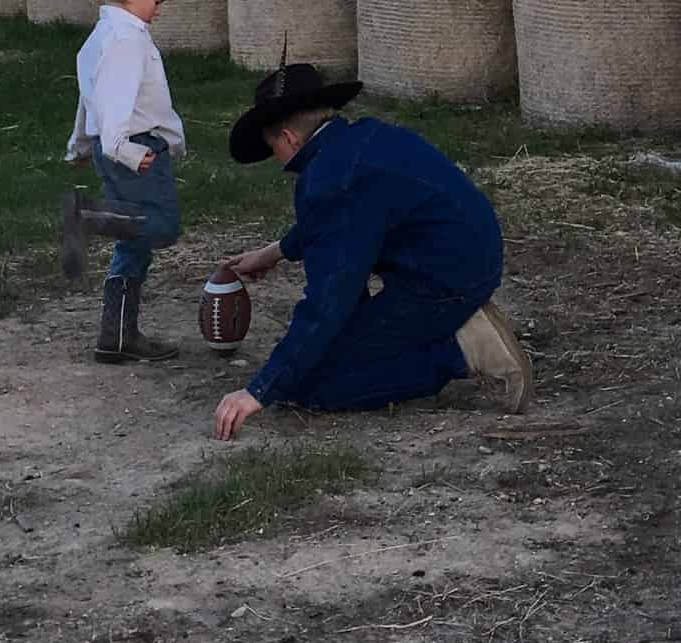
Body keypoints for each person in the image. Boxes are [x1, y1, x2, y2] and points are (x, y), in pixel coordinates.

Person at [210, 62, 532, 441]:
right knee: (330, 347)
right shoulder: (360, 140)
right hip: (469, 253)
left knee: (312, 384)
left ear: (288, 139)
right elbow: (343, 224)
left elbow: (329, 300)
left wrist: (261, 389)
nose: (278, 161)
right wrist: (276, 251)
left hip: (445, 280)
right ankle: (443, 331)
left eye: (272, 149)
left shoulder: (330, 180)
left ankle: (462, 349)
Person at [59, 0, 187, 364]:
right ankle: (87, 216)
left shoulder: (101, 37)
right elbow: (113, 102)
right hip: (136, 147)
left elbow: (89, 98)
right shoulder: (125, 40)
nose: (160, 10)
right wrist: (125, 151)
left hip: (116, 144)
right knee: (163, 226)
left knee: (134, 244)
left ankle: (116, 337)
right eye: (157, 1)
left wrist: (80, 143)